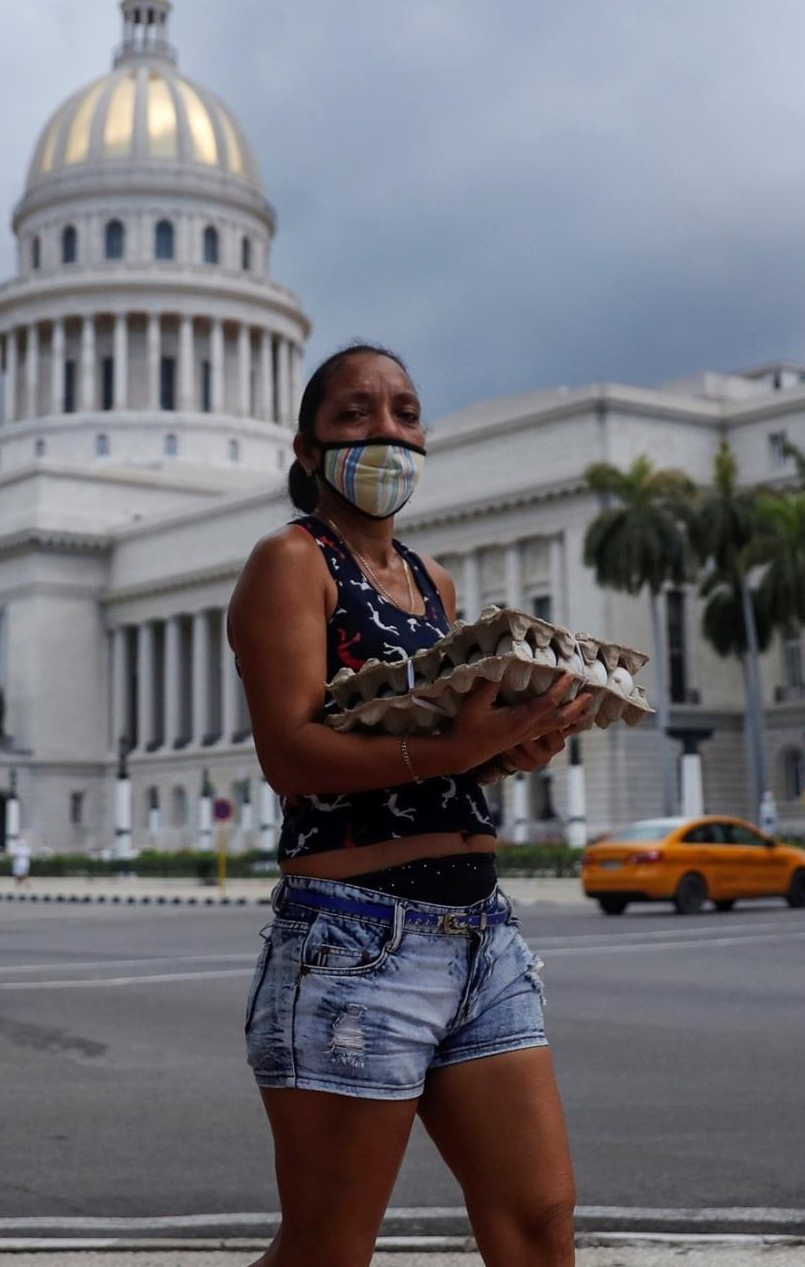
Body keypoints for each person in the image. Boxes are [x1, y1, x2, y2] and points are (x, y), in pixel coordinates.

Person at [227, 344, 597, 1267]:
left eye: (404, 412)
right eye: (356, 414)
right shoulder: (290, 561)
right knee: (327, 1250)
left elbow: (434, 762)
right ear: (308, 450)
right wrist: (461, 749)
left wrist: (515, 749)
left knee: (539, 1225)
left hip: (479, 934)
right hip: (357, 942)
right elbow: (290, 756)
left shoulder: (435, 584)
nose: (386, 431)